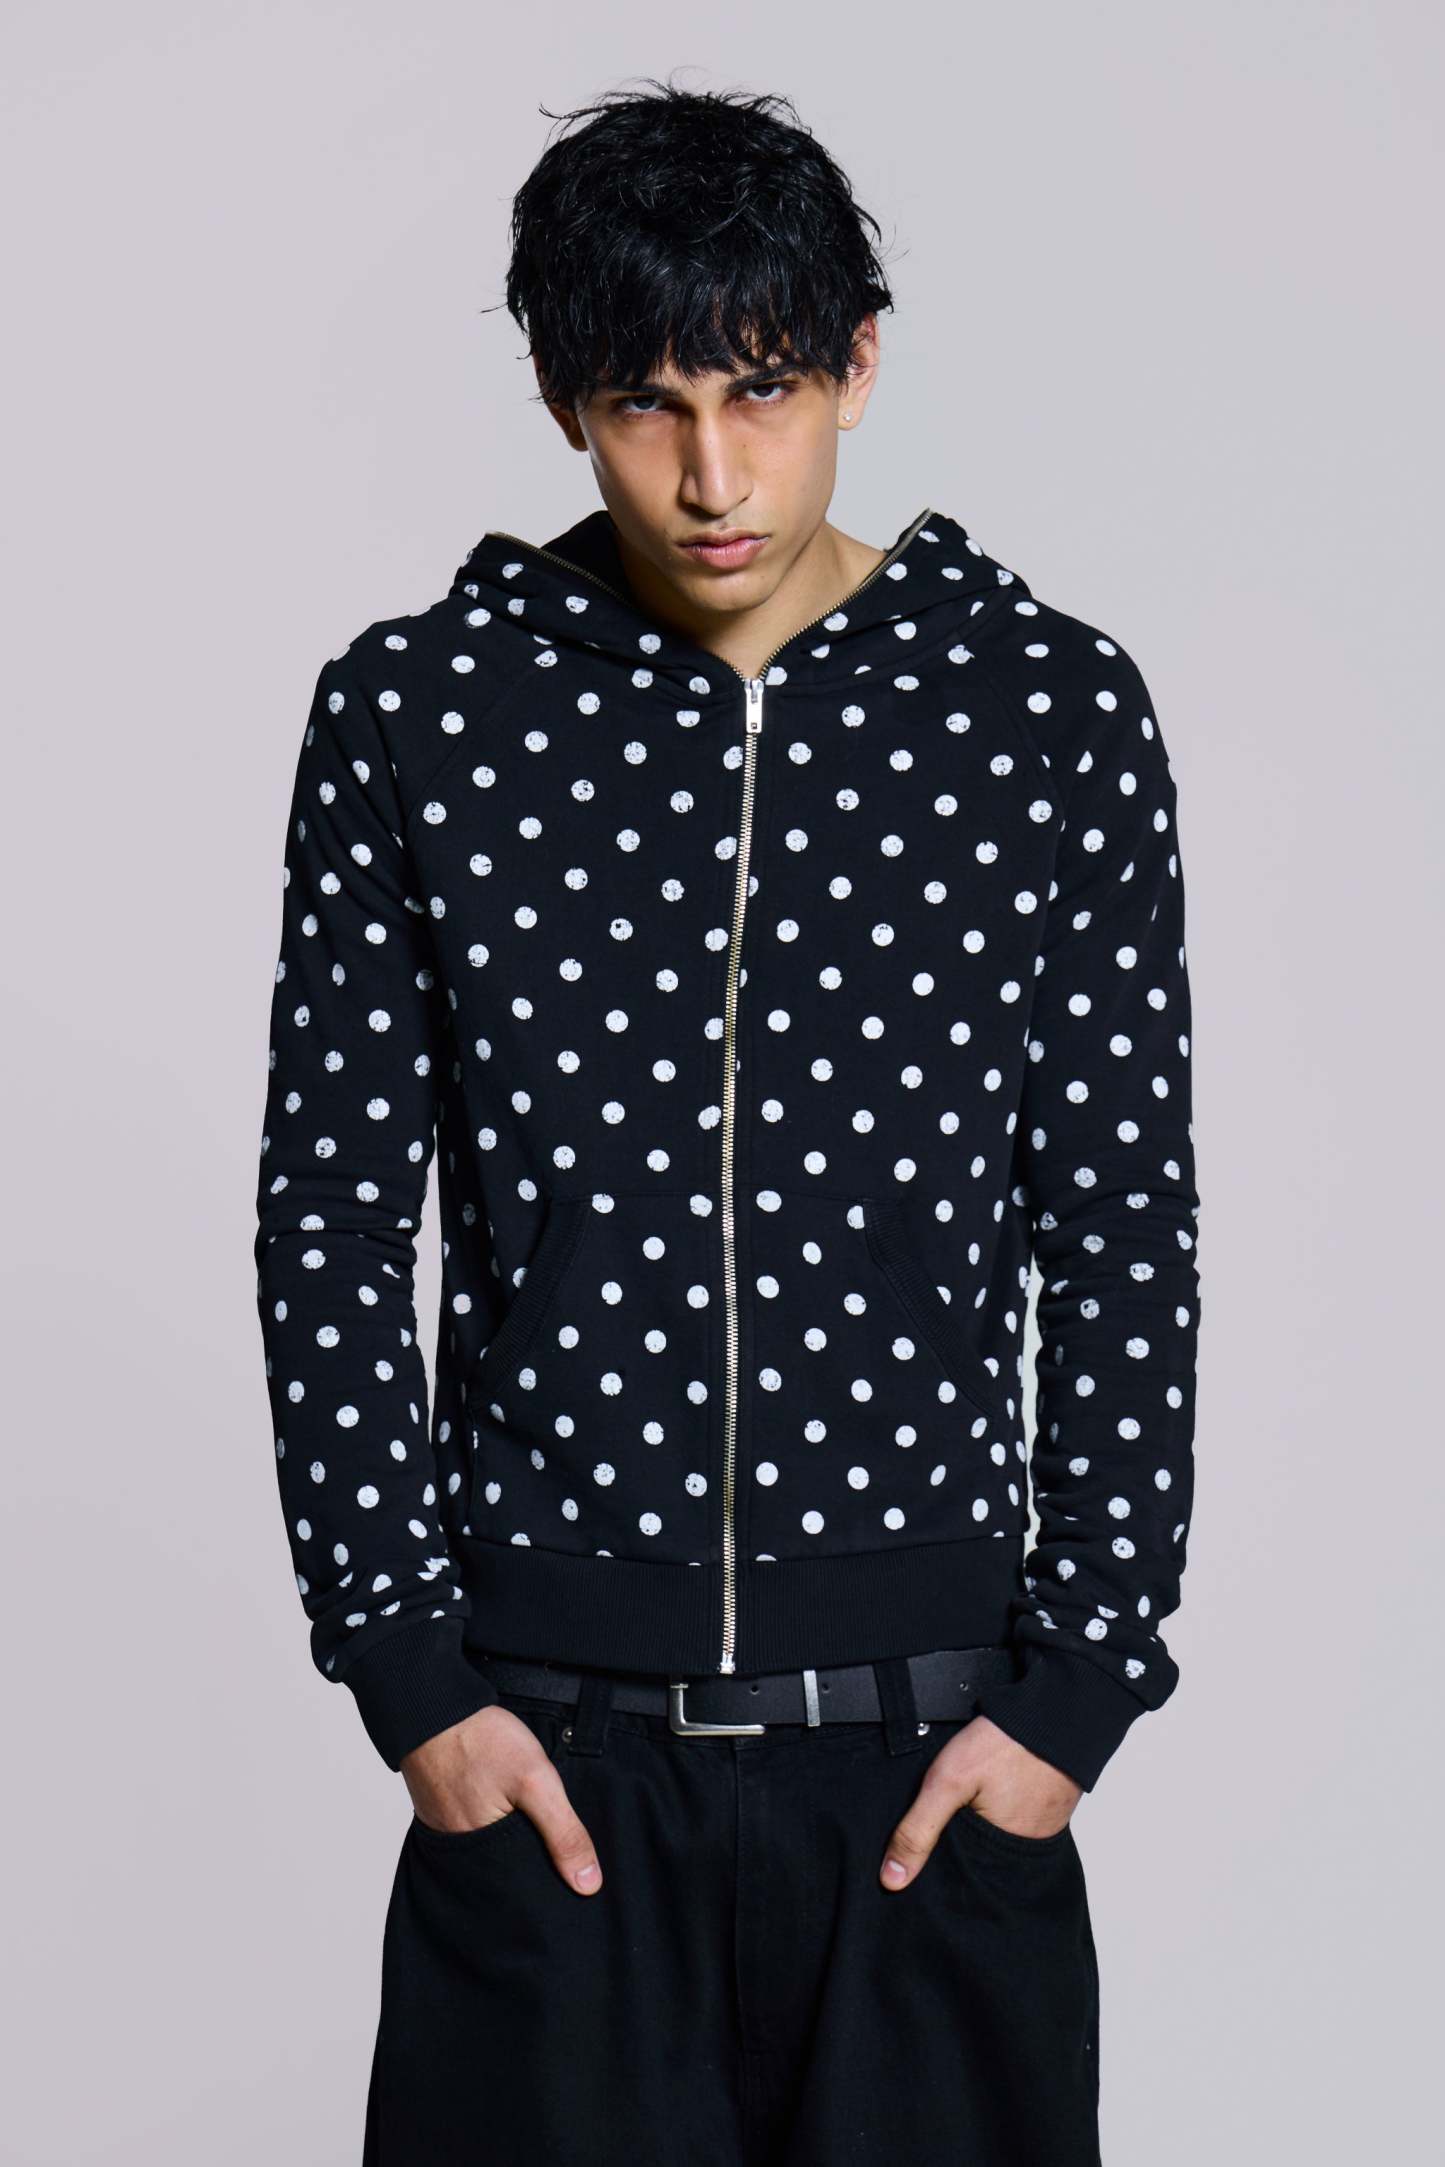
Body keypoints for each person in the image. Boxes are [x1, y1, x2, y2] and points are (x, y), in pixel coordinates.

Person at [253, 76, 1202, 2167]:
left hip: (931, 1766)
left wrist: (1075, 1693)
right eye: (646, 406)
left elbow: (1120, 1222)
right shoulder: (420, 714)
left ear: (858, 362)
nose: (710, 475)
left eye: (761, 392)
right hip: (553, 1773)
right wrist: (406, 1670)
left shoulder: (1043, 710)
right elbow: (329, 1215)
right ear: (561, 401)